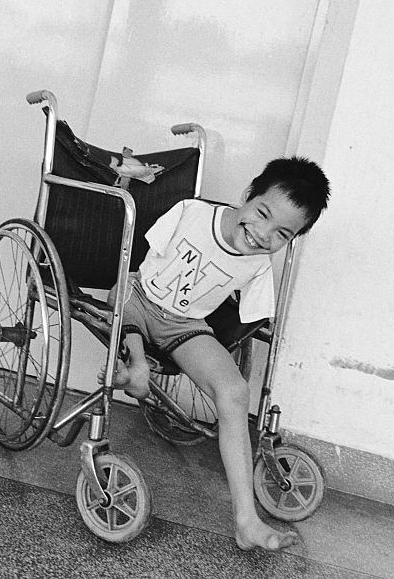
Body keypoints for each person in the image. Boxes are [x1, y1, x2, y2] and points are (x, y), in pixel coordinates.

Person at [104, 156, 330, 551]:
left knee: (236, 392)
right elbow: (137, 266)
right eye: (261, 213)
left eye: (282, 234)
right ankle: (137, 367)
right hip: (139, 298)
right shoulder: (191, 214)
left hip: (185, 325)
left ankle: (247, 522)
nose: (263, 235)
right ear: (248, 197)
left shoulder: (259, 265)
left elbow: (254, 320)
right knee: (122, 296)